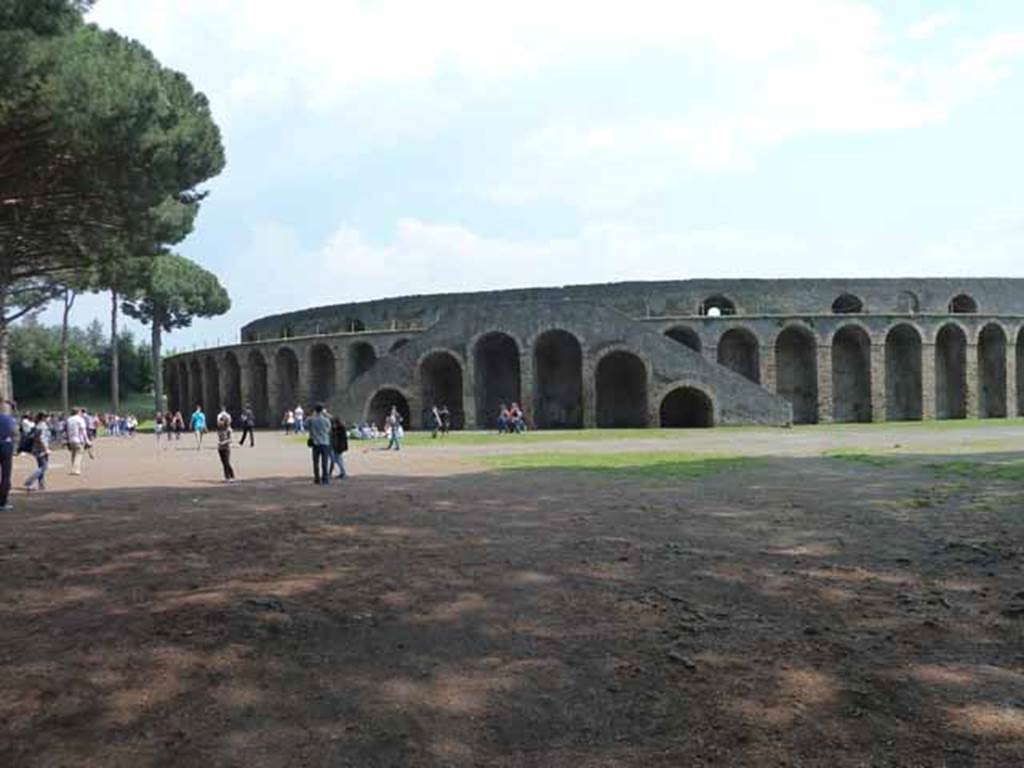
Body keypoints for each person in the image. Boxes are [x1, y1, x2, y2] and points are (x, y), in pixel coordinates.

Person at [23, 412, 50, 492]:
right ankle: (29, 482)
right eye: (47, 417)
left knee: (41, 466)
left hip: (37, 449)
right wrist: (46, 449)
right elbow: (41, 439)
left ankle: (41, 485)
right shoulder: (42, 426)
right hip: (41, 449)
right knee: (44, 467)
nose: (49, 419)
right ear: (43, 418)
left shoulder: (38, 425)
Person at [307, 404, 331, 484]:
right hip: (325, 442)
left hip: (315, 442)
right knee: (325, 462)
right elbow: (329, 429)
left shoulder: (312, 419)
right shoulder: (326, 420)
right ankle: (325, 478)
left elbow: (305, 424)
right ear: (322, 410)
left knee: (316, 462)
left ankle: (317, 478)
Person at [0, 401, 16, 511]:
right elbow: (13, 432)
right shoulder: (8, 419)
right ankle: (2, 502)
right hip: (6, 446)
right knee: (6, 475)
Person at [65, 407, 91, 476]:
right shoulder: (80, 419)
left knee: (73, 454)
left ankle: (74, 468)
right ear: (78, 412)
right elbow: (83, 431)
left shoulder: (69, 419)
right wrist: (87, 440)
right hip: (78, 439)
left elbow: (67, 430)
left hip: (71, 439)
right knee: (79, 454)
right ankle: (76, 470)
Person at [216, 414, 236, 483]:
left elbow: (230, 440)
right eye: (220, 420)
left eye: (222, 420)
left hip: (226, 448)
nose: (220, 422)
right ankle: (227, 477)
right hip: (220, 448)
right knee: (224, 463)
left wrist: (223, 442)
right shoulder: (219, 428)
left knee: (227, 462)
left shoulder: (229, 429)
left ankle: (231, 476)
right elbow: (219, 437)